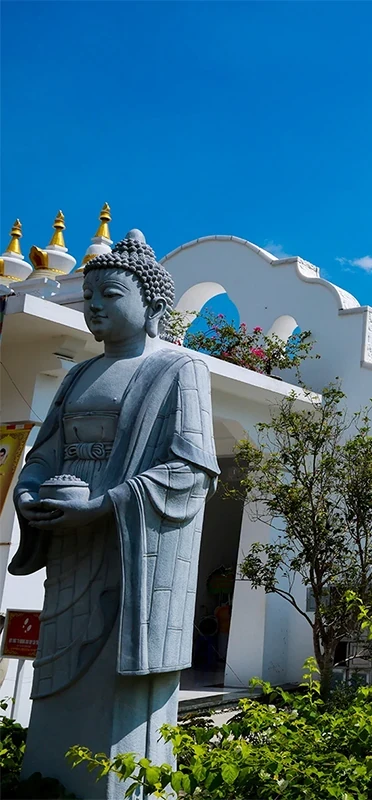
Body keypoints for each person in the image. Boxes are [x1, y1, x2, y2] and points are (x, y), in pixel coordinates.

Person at [11, 230, 218, 798]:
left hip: (131, 552)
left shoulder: (180, 369)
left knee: (118, 681)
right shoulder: (77, 375)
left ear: (151, 305)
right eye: (89, 296)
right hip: (70, 546)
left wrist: (103, 506)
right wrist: (30, 491)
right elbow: (45, 453)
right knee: (59, 670)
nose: (95, 306)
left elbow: (190, 471)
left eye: (110, 294)